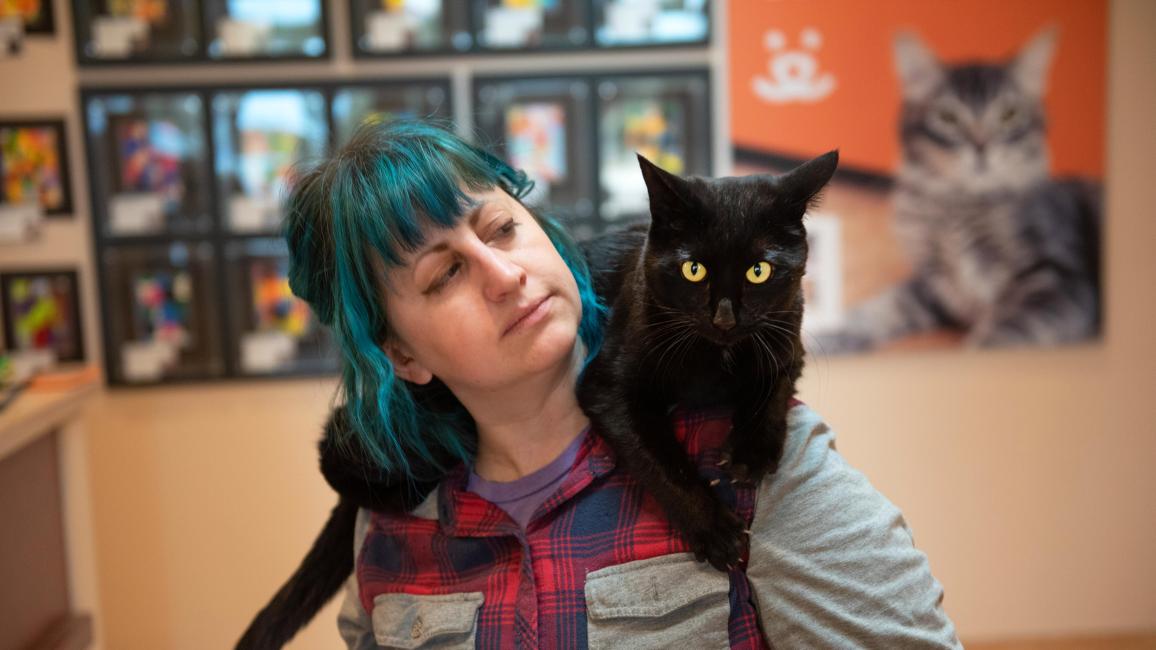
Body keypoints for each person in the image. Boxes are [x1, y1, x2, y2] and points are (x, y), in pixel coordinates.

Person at [282, 119, 962, 649]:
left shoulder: (753, 469)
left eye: (503, 228)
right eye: (444, 275)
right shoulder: (394, 520)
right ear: (402, 355)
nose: (504, 274)